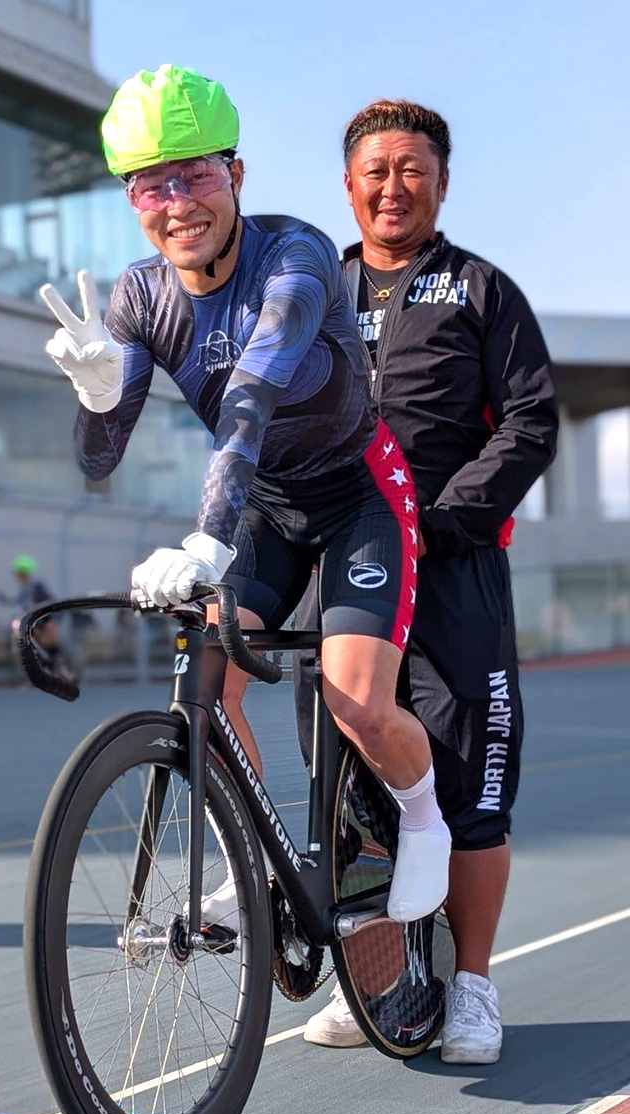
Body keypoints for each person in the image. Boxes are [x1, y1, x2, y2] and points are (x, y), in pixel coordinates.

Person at [41, 64, 451, 924]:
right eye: (152, 185)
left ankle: (423, 818)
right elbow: (98, 461)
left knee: (355, 702)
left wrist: (206, 540)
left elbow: (251, 398)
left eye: (196, 176)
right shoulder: (140, 296)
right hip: (269, 506)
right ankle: (255, 869)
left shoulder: (295, 255)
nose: (178, 204)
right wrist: (97, 397)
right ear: (131, 199)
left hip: (359, 496)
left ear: (235, 174)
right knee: (210, 683)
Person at [297, 100, 558, 1062]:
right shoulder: (312, 289)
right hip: (339, 574)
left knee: (471, 792)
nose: (393, 187)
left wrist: (439, 521)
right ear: (348, 185)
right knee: (350, 794)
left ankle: (474, 986)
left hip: (454, 574)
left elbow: (530, 423)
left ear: (442, 184)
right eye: (376, 170)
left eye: (413, 169)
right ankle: (376, 987)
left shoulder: (483, 291)